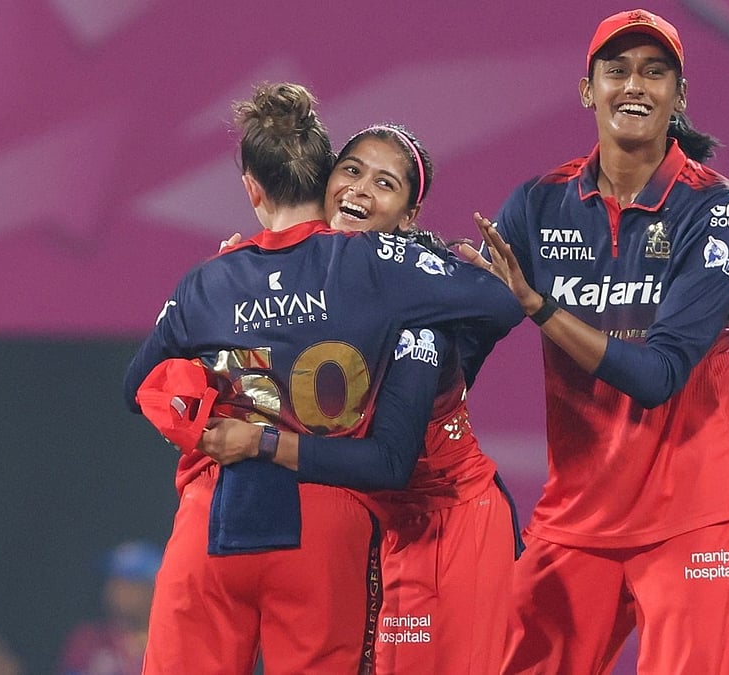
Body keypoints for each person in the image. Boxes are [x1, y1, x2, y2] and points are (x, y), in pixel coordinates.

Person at [123, 82, 522, 674]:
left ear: (410, 216)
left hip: (442, 518)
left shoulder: (414, 296)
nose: (360, 188)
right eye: (351, 170)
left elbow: (390, 459)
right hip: (360, 517)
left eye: (385, 184)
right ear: (319, 179)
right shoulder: (324, 272)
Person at [465, 9, 729, 673]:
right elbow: (470, 336)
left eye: (656, 72)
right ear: (587, 89)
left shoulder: (717, 209)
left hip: (696, 513)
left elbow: (659, 375)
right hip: (578, 515)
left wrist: (540, 308)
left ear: (678, 96)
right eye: (619, 70)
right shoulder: (538, 204)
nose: (636, 85)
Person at [57, 541, 162, 675]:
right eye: (114, 581)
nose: (118, 591)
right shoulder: (89, 640)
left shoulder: (168, 642)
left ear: (153, 589)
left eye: (130, 583)